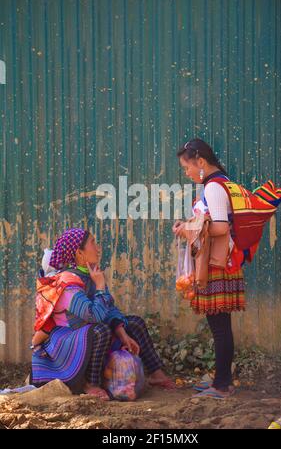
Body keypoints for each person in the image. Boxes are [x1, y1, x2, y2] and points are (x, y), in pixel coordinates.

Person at [31, 228, 175, 400]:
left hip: (89, 332)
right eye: (93, 243)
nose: (98, 248)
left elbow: (109, 308)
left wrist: (122, 333)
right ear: (79, 253)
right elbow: (94, 315)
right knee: (100, 330)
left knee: (134, 323)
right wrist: (100, 285)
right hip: (68, 341)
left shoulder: (91, 273)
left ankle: (156, 374)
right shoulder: (65, 282)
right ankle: (91, 384)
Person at [173, 139, 246, 399]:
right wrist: (192, 226)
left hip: (217, 265)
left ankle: (222, 385)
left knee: (220, 328)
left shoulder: (214, 187)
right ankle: (221, 379)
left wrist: (187, 230)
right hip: (224, 262)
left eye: (187, 167)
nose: (187, 173)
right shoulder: (224, 182)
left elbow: (221, 227)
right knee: (221, 326)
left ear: (200, 162)